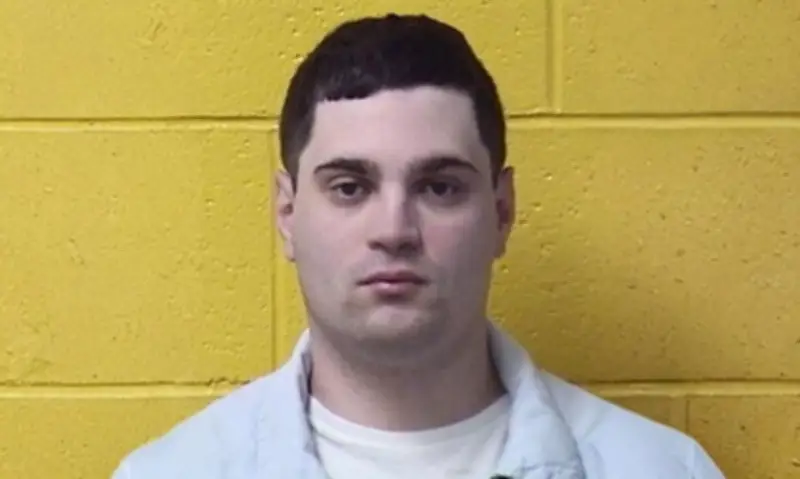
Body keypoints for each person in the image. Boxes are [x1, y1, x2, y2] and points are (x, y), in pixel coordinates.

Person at [112, 13, 725, 479]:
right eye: (350, 187)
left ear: (502, 212)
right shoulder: (171, 473)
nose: (395, 229)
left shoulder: (661, 470)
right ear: (288, 213)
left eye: (439, 187)